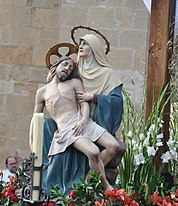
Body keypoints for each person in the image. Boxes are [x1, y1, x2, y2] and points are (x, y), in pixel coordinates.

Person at [43, 35, 124, 193]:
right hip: (74, 122)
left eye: (85, 43)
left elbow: (116, 102)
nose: (80, 46)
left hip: (95, 122)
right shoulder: (75, 72)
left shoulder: (108, 74)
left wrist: (94, 97)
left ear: (93, 47)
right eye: (80, 43)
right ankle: (49, 168)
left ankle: (88, 180)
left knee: (113, 146)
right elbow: (56, 88)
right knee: (47, 124)